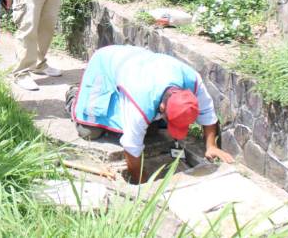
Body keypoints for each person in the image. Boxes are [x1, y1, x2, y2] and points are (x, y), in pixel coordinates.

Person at [68, 45, 234, 183]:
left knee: (150, 132)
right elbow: (131, 147)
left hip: (140, 66)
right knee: (89, 132)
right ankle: (75, 95)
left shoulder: (192, 82)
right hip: (107, 64)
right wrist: (141, 180)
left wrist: (211, 146)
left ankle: (118, 102)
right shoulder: (141, 97)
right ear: (162, 107)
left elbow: (208, 113)